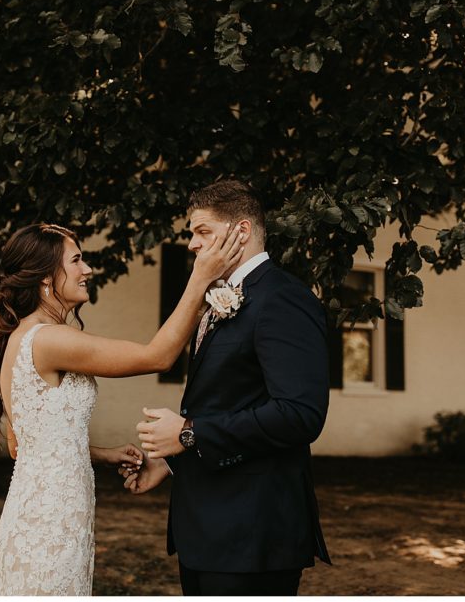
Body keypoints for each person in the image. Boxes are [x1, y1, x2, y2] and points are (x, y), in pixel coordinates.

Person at [0, 221, 245, 596]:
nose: (87, 270)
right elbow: (158, 356)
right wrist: (200, 279)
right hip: (52, 519)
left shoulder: (22, 336)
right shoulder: (50, 339)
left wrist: (102, 454)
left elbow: (25, 444)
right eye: (77, 260)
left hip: (41, 508)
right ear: (46, 279)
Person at [124, 179, 332, 596]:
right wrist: (172, 461)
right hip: (209, 531)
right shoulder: (222, 298)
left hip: (253, 532)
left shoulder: (281, 298)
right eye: (191, 234)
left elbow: (299, 414)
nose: (192, 245)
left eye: (202, 232)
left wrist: (188, 432)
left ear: (241, 231)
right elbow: (229, 403)